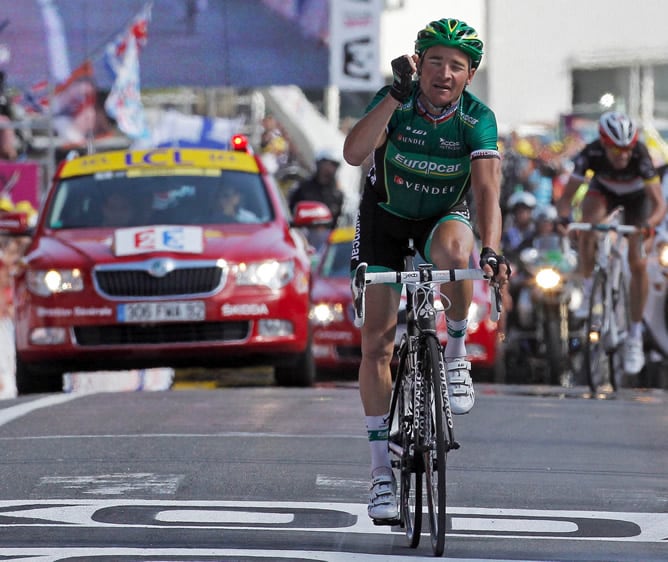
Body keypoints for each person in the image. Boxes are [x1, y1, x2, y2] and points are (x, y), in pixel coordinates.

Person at [343, 18, 510, 522]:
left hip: (443, 216)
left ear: (469, 75)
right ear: (419, 64)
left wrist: (495, 250)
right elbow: (354, 153)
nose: (444, 72)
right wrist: (394, 97)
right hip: (385, 220)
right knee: (377, 344)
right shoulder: (395, 99)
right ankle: (379, 474)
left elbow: (486, 191)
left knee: (458, 256)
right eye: (434, 60)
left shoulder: (477, 118)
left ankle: (454, 351)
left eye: (455, 66)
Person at [556, 111, 667, 376]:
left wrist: (648, 225)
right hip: (602, 192)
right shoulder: (591, 153)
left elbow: (658, 204)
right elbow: (567, 197)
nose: (624, 156)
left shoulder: (640, 155)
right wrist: (563, 218)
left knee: (637, 261)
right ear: (604, 144)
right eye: (617, 151)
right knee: (588, 226)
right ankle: (588, 285)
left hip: (637, 199)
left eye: (628, 150)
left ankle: (635, 337)